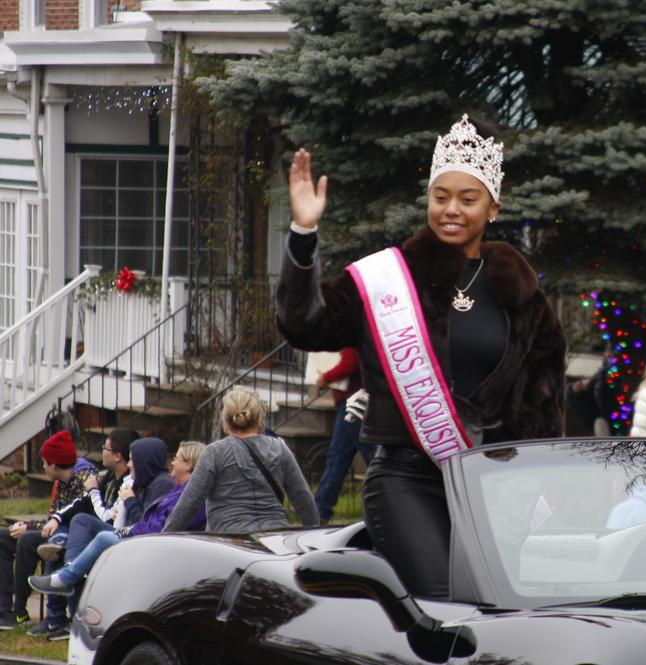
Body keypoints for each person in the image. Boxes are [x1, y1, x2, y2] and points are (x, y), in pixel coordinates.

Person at [275, 113, 566, 598]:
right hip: (406, 479)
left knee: (494, 612)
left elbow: (544, 403)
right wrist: (304, 235)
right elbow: (305, 324)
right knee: (444, 603)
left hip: (494, 487)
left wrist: (537, 485)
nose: (451, 209)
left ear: (493, 207)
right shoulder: (389, 279)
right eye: (440, 196)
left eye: (468, 199)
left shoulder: (521, 294)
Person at [29, 442, 208, 597]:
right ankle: (69, 570)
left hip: (154, 544)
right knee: (80, 520)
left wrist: (128, 508)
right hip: (142, 535)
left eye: (177, 458)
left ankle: (67, 577)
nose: (172, 462)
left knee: (102, 537)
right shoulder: (179, 489)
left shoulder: (184, 492)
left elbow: (159, 527)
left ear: (188, 464)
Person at [162, 386, 319, 533]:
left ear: (225, 419)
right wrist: (313, 540)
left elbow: (188, 505)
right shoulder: (279, 449)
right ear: (259, 418)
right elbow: (305, 503)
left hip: (230, 543)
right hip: (274, 539)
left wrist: (162, 539)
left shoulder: (215, 453)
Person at [0, 430, 95, 637]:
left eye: (44, 462)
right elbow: (53, 518)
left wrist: (31, 528)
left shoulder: (83, 478)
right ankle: (4, 612)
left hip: (72, 538)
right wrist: (30, 524)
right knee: (3, 536)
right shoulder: (62, 481)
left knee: (27, 540)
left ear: (54, 465)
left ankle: (23, 611)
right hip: (53, 532)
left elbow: (69, 521)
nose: (42, 466)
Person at [37, 427, 137, 561]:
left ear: (117, 456)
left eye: (105, 448)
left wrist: (93, 491)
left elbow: (107, 518)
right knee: (57, 532)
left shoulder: (127, 484)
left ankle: (68, 571)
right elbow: (83, 501)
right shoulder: (110, 476)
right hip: (90, 529)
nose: (102, 451)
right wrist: (57, 518)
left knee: (79, 520)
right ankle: (57, 569)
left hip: (110, 533)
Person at [313, 347, 374, 523]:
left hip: (354, 401)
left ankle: (320, 509)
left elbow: (350, 362)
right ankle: (320, 509)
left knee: (369, 455)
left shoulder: (345, 331)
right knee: (339, 456)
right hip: (352, 399)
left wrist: (326, 377)